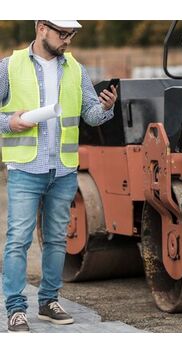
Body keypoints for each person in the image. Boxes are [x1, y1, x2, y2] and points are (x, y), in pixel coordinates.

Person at [0, 20, 118, 332]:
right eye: (62, 34)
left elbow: (90, 115)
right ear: (41, 28)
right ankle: (15, 308)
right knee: (18, 241)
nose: (67, 40)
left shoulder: (76, 69)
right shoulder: (9, 66)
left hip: (63, 169)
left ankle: (49, 301)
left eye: (71, 35)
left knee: (55, 239)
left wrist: (106, 107)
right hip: (25, 168)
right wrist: (10, 123)